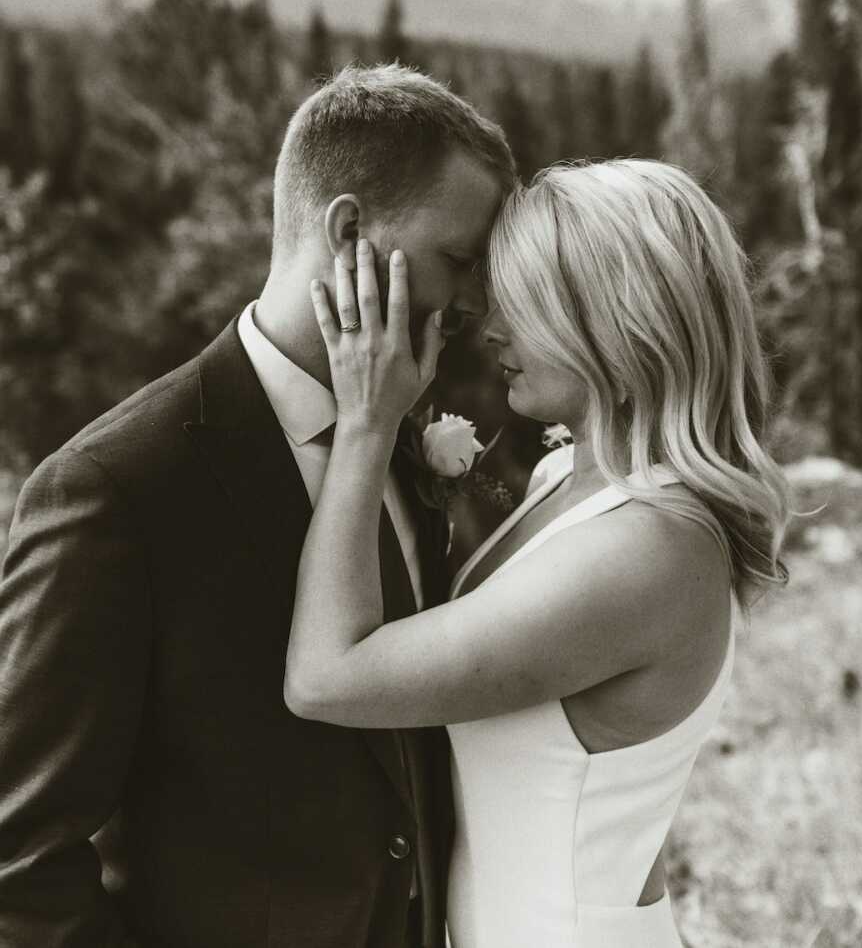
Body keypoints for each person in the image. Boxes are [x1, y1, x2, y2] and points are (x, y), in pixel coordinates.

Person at [0, 65, 515, 948]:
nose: (476, 301)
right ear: (349, 230)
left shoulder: (400, 434)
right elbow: (18, 863)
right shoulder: (116, 489)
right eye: (460, 260)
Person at [283, 158, 791, 948]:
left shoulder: (650, 544)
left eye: (523, 305)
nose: (491, 330)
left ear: (616, 318)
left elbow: (326, 677)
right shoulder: (568, 473)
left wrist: (365, 424)